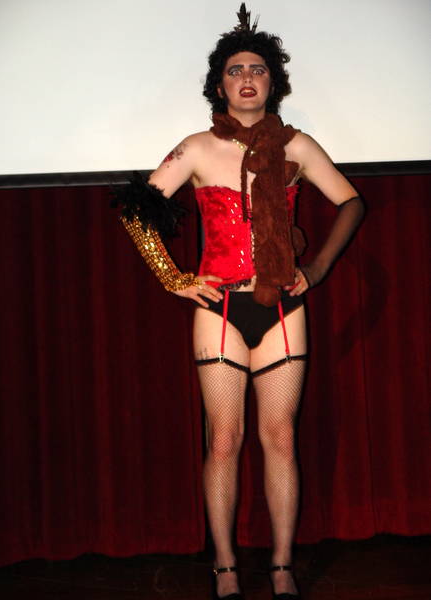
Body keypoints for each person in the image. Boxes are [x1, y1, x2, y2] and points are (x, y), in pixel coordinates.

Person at [114, 4, 364, 599]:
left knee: (280, 439)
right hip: (220, 311)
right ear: (219, 84)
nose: (246, 78)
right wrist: (172, 277)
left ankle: (281, 566)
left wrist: (317, 269)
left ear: (273, 81)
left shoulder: (297, 145)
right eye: (235, 70)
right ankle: (225, 567)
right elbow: (137, 209)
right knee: (223, 440)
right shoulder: (198, 148)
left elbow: (351, 202)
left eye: (257, 69)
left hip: (283, 309)